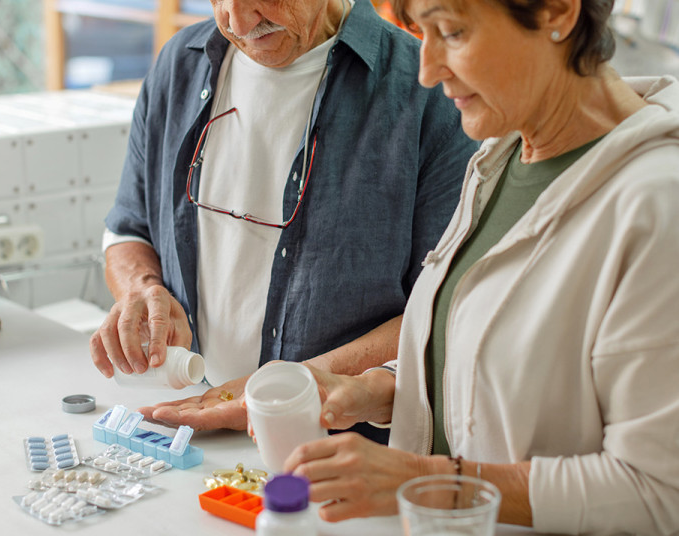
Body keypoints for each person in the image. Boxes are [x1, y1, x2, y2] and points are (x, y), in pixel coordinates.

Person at [282, 0, 679, 533]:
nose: (427, 69)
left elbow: (657, 492)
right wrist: (384, 388)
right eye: (421, 33)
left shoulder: (657, 206)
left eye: (451, 31)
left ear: (556, 12)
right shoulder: (505, 150)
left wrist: (421, 481)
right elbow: (507, 356)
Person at [89, 0, 476, 438]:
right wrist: (142, 288)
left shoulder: (430, 94)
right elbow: (127, 228)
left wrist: (283, 390)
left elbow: (447, 311)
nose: (237, 22)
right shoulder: (180, 62)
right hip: (197, 429)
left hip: (342, 448)